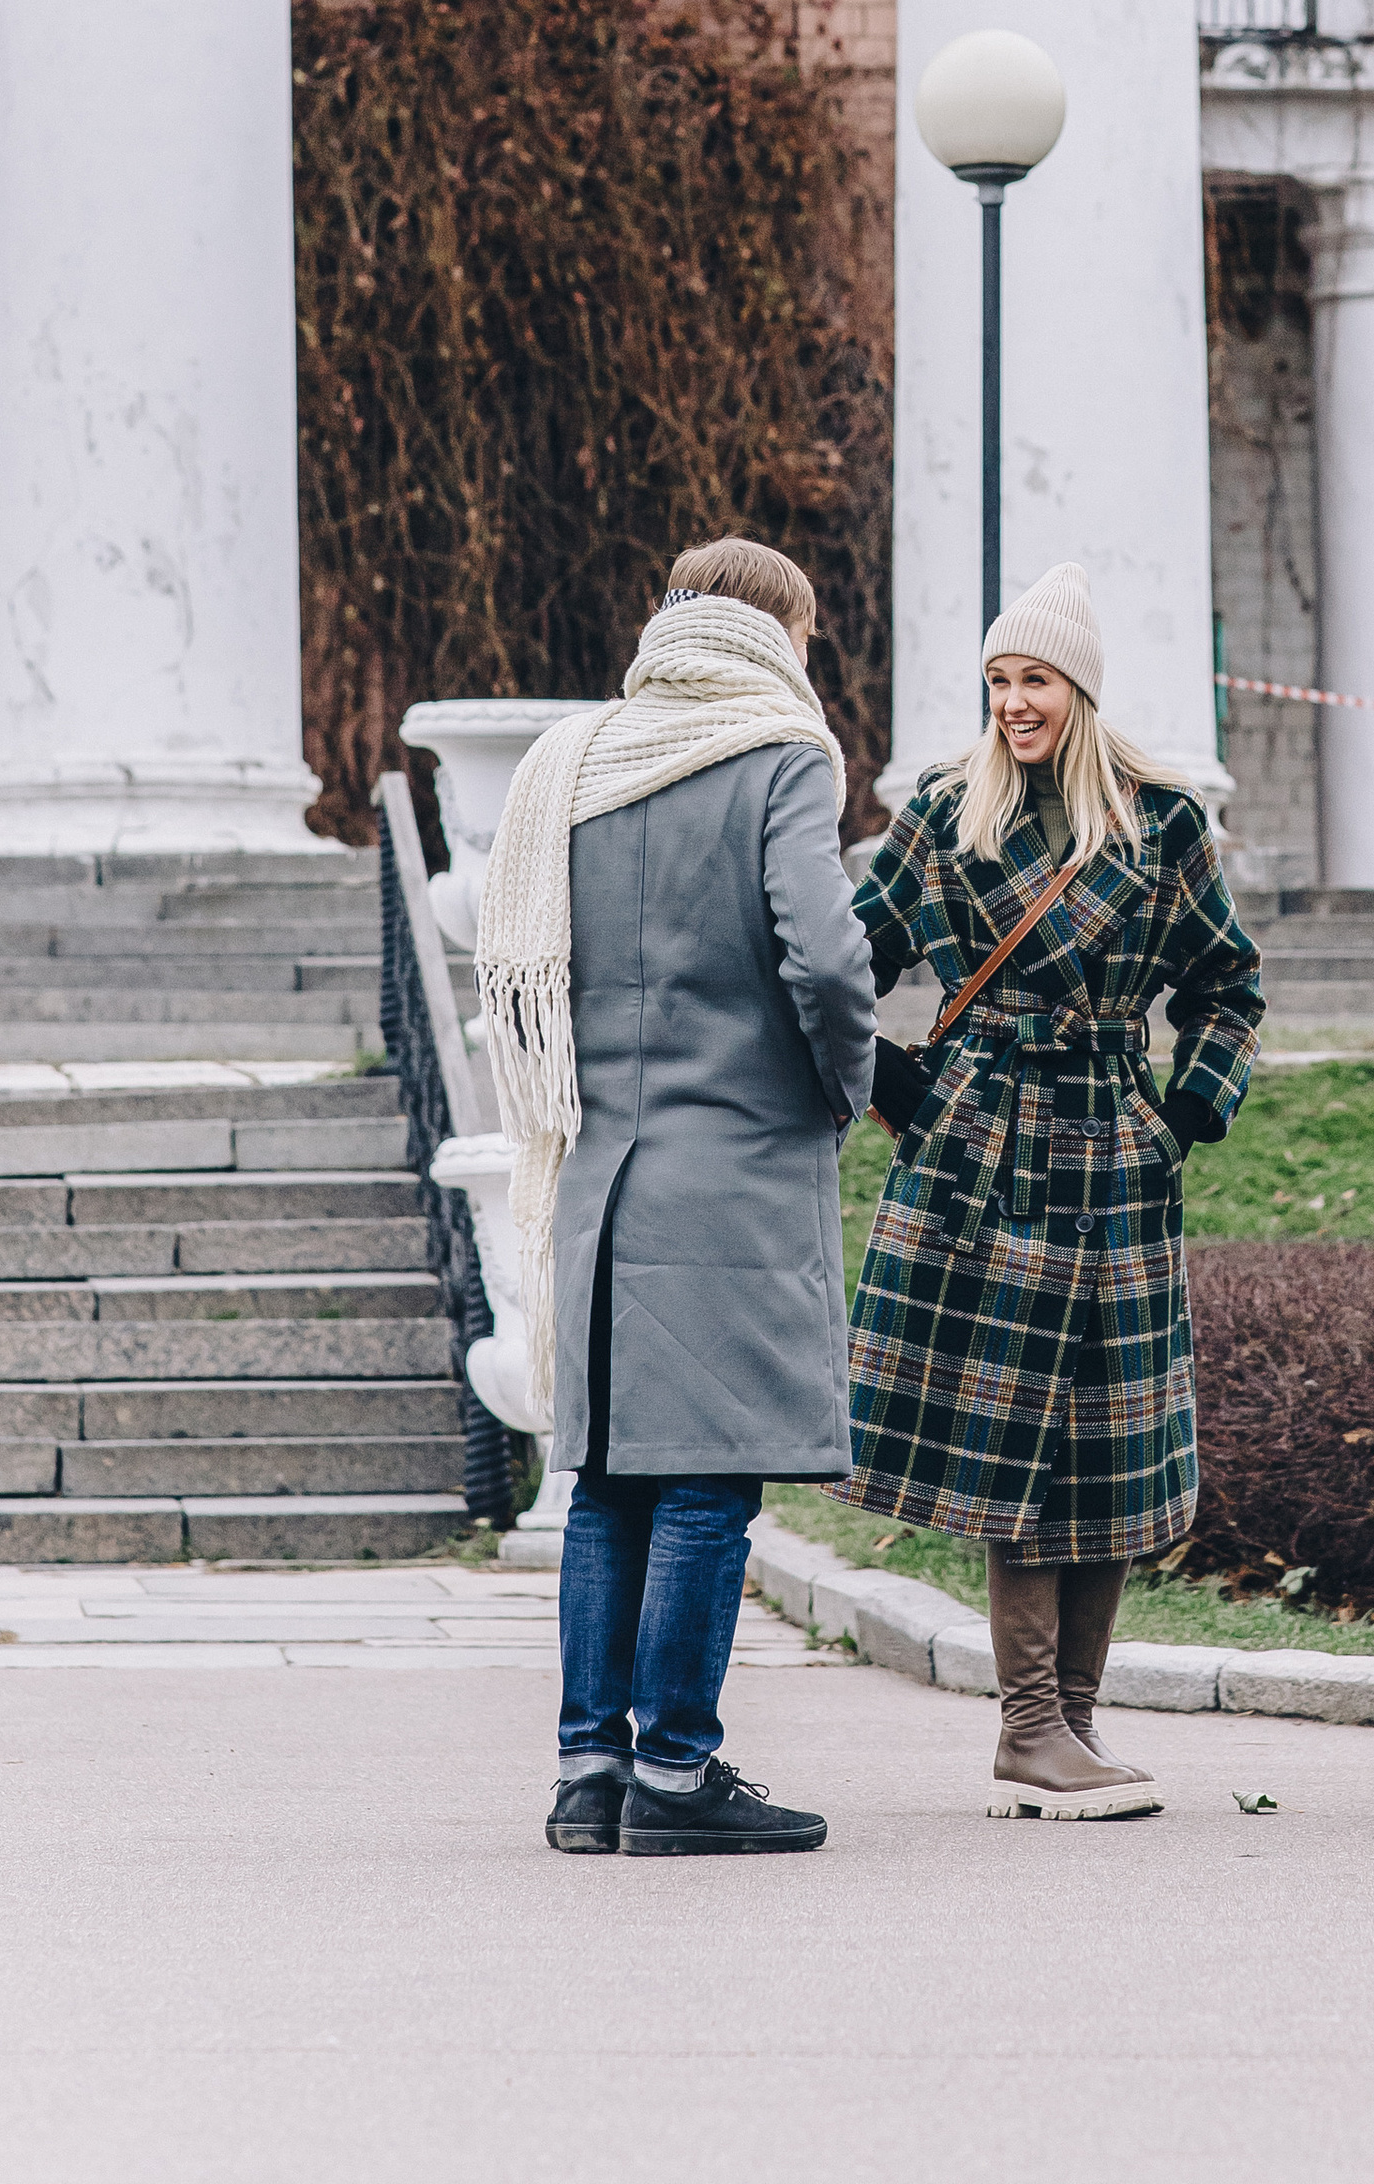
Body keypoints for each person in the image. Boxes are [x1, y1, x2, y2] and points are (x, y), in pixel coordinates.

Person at [473, 535, 877, 1860]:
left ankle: (588, 1774)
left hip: (598, 1168)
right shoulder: (777, 756)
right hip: (739, 1169)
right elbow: (823, 957)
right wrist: (841, 1085)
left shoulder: (574, 765)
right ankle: (681, 1771)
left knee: (605, 1479)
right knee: (708, 1481)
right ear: (777, 637)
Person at [846, 561, 1265, 1819]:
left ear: (1077, 689)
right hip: (985, 1156)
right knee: (1014, 1432)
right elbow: (826, 968)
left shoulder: (1160, 820)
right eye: (996, 680)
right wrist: (896, 1089)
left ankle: (1071, 1731)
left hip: (1118, 1152)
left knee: (1113, 1443)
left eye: (1032, 680)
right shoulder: (940, 813)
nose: (1011, 703)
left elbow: (1227, 986)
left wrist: (1188, 1107)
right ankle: (1028, 1727)